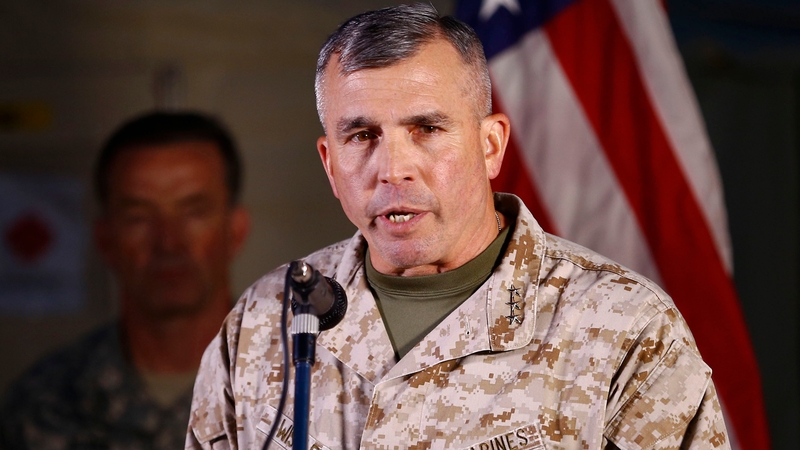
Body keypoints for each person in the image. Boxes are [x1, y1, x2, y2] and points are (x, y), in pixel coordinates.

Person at [187, 4, 729, 449]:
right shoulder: (263, 327)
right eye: (361, 135)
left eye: (426, 129)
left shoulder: (624, 329)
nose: (392, 167)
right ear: (330, 164)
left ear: (490, 146)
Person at [0, 111, 250, 449]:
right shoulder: (41, 406)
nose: (168, 242)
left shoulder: (300, 388)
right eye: (139, 217)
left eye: (194, 212)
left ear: (235, 231)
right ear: (105, 240)